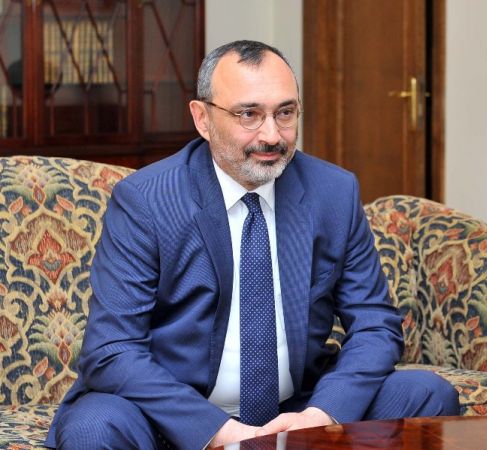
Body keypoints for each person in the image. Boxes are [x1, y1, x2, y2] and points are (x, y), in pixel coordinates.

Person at [45, 40, 459, 450]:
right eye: (249, 114)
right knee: (93, 427)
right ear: (202, 118)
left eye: (285, 113)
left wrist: (320, 417)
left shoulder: (333, 192)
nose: (272, 135)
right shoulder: (147, 200)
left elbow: (375, 324)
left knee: (426, 394)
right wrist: (219, 432)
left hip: (297, 411)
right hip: (171, 416)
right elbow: (112, 349)